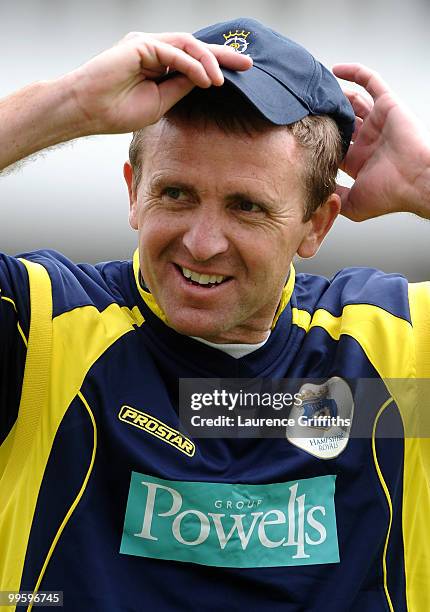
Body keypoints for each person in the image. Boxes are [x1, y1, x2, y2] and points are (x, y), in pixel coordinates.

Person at [0, 16, 429, 612]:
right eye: (176, 194)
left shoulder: (400, 348)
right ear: (132, 191)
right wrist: (67, 103)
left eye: (246, 207)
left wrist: (425, 181)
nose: (202, 243)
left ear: (317, 225)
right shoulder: (44, 327)